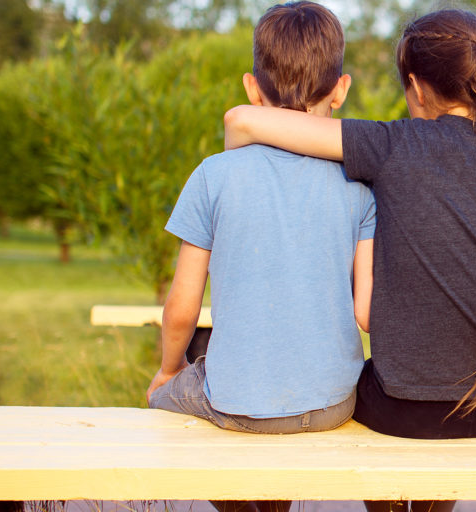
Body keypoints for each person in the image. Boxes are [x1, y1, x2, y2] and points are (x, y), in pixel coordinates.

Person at [225, 8, 476, 512]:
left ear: (415, 87)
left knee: (344, 391)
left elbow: (245, 120)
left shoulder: (392, 145)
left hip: (405, 411)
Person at [146, 0, 374, 442]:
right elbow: (365, 310)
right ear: (341, 89)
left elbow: (182, 308)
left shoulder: (213, 174)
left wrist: (168, 371)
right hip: (335, 401)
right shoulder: (360, 185)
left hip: (238, 403)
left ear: (252, 89)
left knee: (161, 402)